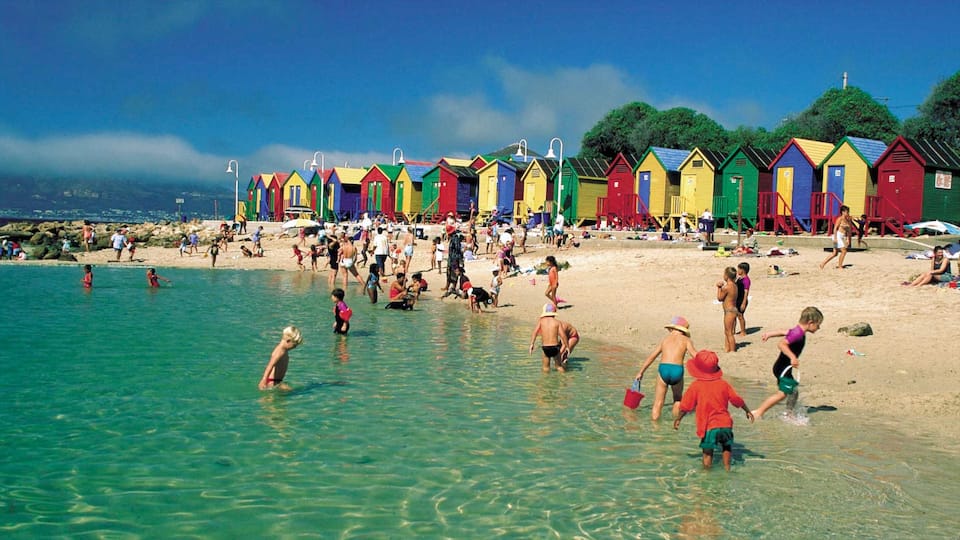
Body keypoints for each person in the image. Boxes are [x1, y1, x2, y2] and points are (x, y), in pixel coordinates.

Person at [673, 350, 754, 471]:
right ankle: (727, 468)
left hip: (709, 426)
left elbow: (685, 406)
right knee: (726, 447)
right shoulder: (723, 384)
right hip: (726, 424)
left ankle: (707, 472)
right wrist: (747, 410)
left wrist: (678, 418)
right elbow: (736, 399)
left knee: (707, 452)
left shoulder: (696, 386)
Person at [752, 306, 824, 419]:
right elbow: (781, 344)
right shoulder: (798, 334)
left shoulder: (797, 331)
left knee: (794, 391)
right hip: (782, 368)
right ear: (810, 323)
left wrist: (769, 334)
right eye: (818, 324)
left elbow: (783, 332)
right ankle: (758, 412)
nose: (819, 327)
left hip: (783, 367)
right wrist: (792, 357)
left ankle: (789, 413)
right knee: (782, 394)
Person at [634, 316, 698, 421]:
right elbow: (694, 355)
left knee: (658, 402)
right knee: (677, 399)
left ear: (672, 329)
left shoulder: (665, 340)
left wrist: (641, 372)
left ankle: (655, 428)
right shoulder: (686, 340)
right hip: (677, 370)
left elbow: (652, 357)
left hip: (664, 369)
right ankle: (675, 423)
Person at [258, 326, 303, 391]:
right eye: (294, 345)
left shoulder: (284, 350)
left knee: (290, 392)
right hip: (272, 382)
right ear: (288, 341)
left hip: (277, 382)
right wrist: (264, 380)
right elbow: (270, 366)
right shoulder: (279, 351)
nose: (295, 347)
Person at [528, 303, 570, 372]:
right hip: (555, 347)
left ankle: (545, 382)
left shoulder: (541, 321)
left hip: (545, 348)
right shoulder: (557, 322)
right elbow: (563, 335)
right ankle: (564, 381)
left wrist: (532, 344)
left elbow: (535, 332)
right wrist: (567, 346)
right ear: (554, 313)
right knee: (559, 366)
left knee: (545, 368)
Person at [820, 205, 853, 270]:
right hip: (837, 236)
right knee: (844, 251)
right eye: (846, 212)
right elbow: (835, 229)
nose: (848, 213)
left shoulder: (848, 219)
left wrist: (848, 239)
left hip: (842, 237)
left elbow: (848, 231)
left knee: (835, 253)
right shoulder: (840, 219)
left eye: (848, 212)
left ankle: (822, 264)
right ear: (843, 212)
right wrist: (835, 238)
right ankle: (840, 266)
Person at [716, 267, 738, 353]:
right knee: (727, 331)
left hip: (729, 311)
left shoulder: (727, 287)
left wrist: (719, 288)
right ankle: (727, 348)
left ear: (727, 276)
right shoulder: (734, 285)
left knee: (729, 333)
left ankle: (732, 350)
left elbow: (720, 298)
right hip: (733, 310)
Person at [735, 262, 751, 336]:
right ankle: (733, 330)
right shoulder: (739, 278)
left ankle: (743, 331)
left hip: (742, 299)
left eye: (739, 269)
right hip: (737, 299)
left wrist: (744, 302)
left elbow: (746, 291)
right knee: (735, 315)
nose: (737, 270)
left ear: (743, 270)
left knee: (740, 315)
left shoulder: (746, 280)